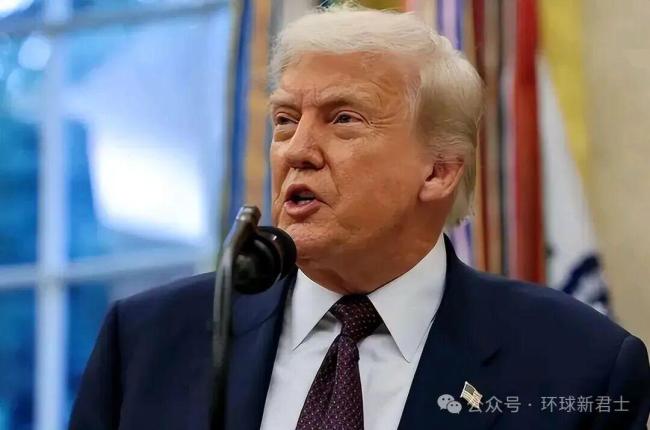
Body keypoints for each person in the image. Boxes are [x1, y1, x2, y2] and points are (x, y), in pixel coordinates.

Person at [70, 6, 650, 430]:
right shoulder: (148, 342)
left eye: (343, 119)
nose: (297, 150)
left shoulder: (578, 363)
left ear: (438, 171)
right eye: (285, 120)